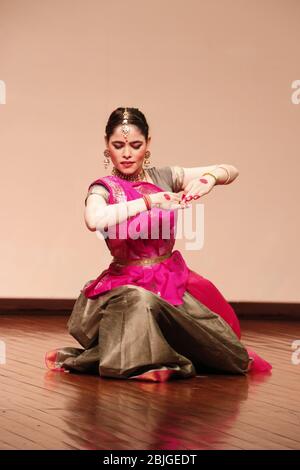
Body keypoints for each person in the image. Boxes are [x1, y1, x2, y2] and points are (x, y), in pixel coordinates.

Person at [45, 107, 272, 382]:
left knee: (233, 357)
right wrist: (149, 202)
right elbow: (94, 219)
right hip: (125, 286)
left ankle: (140, 353)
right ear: (107, 147)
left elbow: (230, 170)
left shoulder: (163, 177)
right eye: (118, 146)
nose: (127, 153)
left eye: (135, 145)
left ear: (148, 145)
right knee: (138, 301)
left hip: (168, 282)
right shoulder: (104, 188)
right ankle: (139, 360)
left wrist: (208, 179)